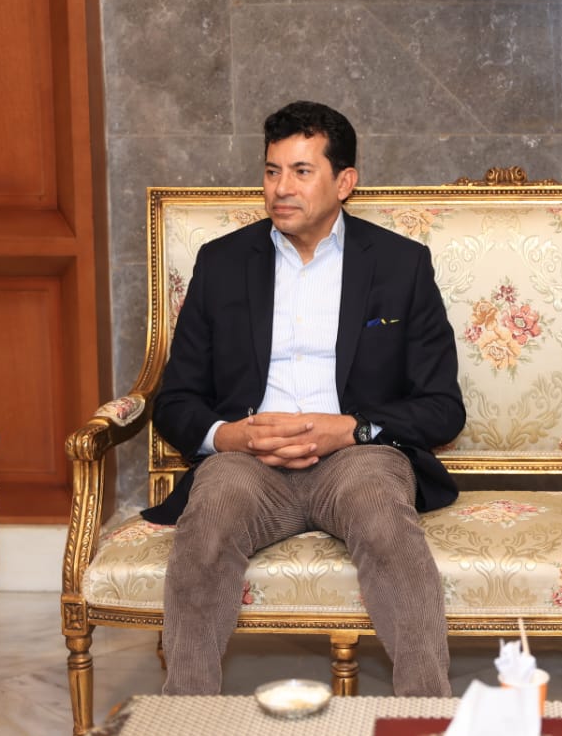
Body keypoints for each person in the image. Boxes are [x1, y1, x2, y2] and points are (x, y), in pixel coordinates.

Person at [143, 100, 465, 698]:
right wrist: (232, 436)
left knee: (384, 517)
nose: (281, 188)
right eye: (271, 171)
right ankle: (187, 711)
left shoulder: (401, 265)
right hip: (248, 462)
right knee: (209, 517)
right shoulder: (222, 263)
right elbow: (176, 400)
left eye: (300, 171)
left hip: (357, 457)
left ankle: (427, 712)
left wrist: (351, 428)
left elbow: (443, 407)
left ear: (345, 182)